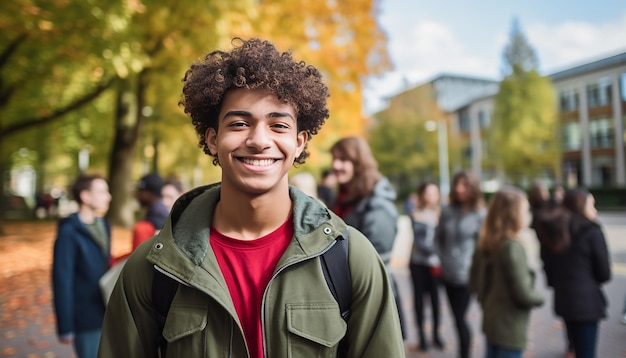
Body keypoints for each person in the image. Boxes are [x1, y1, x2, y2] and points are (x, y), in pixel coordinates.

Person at [98, 37, 405, 358]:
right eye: (240, 123)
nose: (259, 140)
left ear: (299, 142)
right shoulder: (153, 267)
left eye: (278, 125)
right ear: (213, 139)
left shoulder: (350, 258)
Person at [329, 136, 405, 336]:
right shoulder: (346, 198)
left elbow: (377, 262)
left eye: (343, 160)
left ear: (359, 163)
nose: (335, 165)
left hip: (371, 301)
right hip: (346, 297)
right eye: (334, 159)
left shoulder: (377, 206)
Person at [534, 188, 611, 358]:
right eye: (592, 205)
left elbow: (548, 266)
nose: (595, 210)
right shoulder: (592, 232)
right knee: (586, 352)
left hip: (564, 299)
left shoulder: (555, 231)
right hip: (587, 303)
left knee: (574, 346)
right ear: (581, 207)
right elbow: (604, 273)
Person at [469, 186, 544, 358]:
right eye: (525, 210)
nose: (528, 215)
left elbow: (474, 283)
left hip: (491, 320)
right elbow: (524, 293)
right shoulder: (513, 247)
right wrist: (540, 298)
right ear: (513, 214)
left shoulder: (486, 242)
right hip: (509, 325)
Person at [52, 173, 112, 358]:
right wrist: (66, 327)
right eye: (102, 191)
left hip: (107, 313)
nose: (108, 196)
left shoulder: (104, 225)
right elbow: (62, 280)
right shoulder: (69, 233)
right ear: (85, 196)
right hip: (85, 318)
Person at [435, 170, 484, 358]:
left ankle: (465, 354)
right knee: (456, 319)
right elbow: (437, 237)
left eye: (464, 185)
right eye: (457, 184)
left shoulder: (479, 214)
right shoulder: (447, 211)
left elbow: (483, 248)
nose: (458, 189)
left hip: (467, 276)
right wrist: (441, 258)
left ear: (472, 188)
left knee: (460, 318)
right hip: (447, 273)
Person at [408, 181, 445, 352]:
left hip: (435, 266)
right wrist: (439, 252)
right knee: (419, 302)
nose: (431, 197)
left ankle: (436, 335)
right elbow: (420, 241)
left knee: (436, 301)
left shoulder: (442, 214)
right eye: (428, 193)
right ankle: (422, 337)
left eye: (434, 193)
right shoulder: (416, 214)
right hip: (418, 264)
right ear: (422, 195)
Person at [132, 172, 169, 250]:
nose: (137, 195)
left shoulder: (145, 227)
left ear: (149, 193)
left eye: (141, 191)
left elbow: (138, 257)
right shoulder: (166, 216)